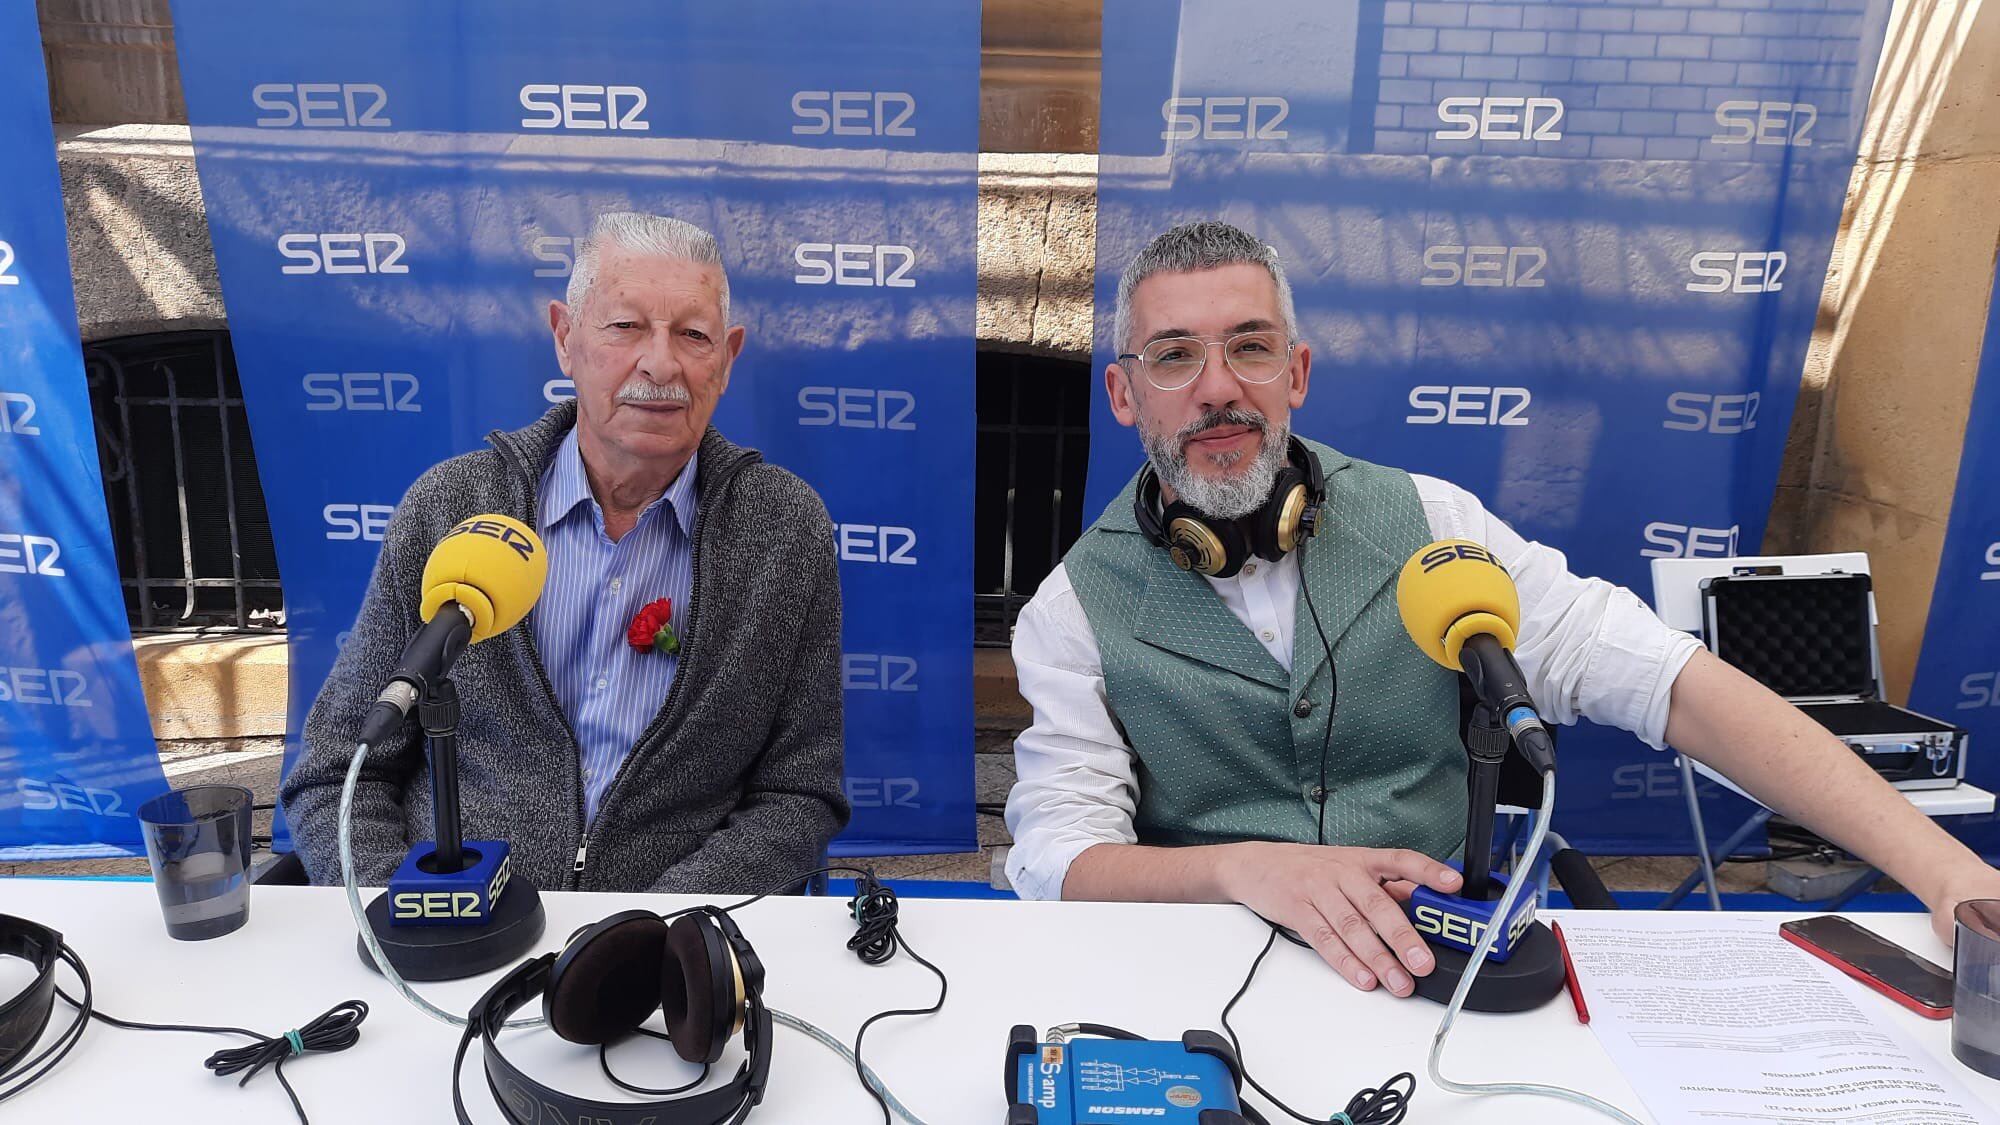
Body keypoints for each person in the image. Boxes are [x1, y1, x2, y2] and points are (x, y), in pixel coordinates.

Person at [1005, 219, 2000, 997]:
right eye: (1173, 356)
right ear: (1124, 396)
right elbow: (1055, 856)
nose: (1216, 387)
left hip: (1445, 966)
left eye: (1249, 348)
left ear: (1295, 374)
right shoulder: (1071, 611)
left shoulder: (1434, 524)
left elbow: (1672, 687)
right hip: (1201, 972)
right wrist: (1238, 870)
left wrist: (1943, 870)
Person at [283, 211, 848, 893]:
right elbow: (342, 768)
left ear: (726, 359)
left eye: (692, 335)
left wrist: (654, 931)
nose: (661, 363)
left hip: (672, 948)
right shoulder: (451, 507)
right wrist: (403, 908)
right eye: (625, 326)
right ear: (565, 337)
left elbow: (799, 793)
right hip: (459, 929)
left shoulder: (785, 529)